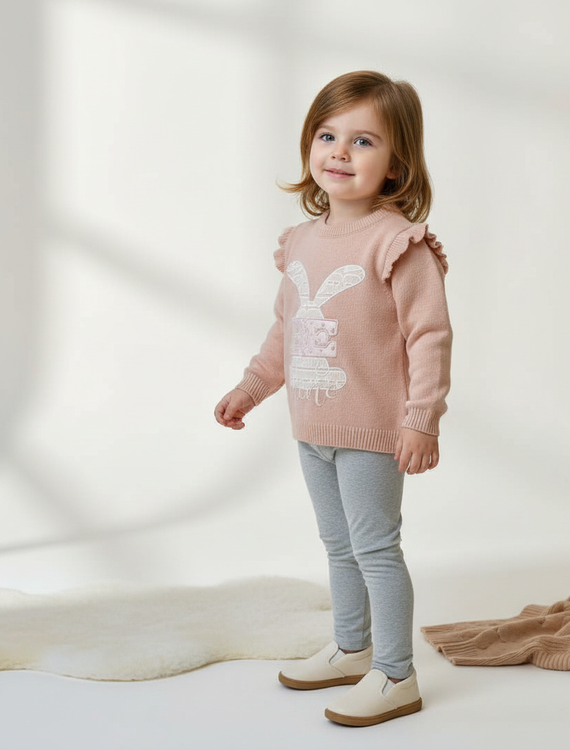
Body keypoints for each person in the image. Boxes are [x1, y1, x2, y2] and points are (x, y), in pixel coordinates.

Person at [214, 70, 452, 727]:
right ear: (309, 146)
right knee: (337, 545)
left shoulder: (398, 243)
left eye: (363, 140)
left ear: (397, 165)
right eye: (327, 135)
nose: (340, 152)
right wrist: (251, 388)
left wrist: (421, 419)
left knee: (375, 549)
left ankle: (396, 674)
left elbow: (430, 337)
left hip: (373, 431)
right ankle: (352, 647)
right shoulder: (302, 241)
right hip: (312, 428)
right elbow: (286, 329)